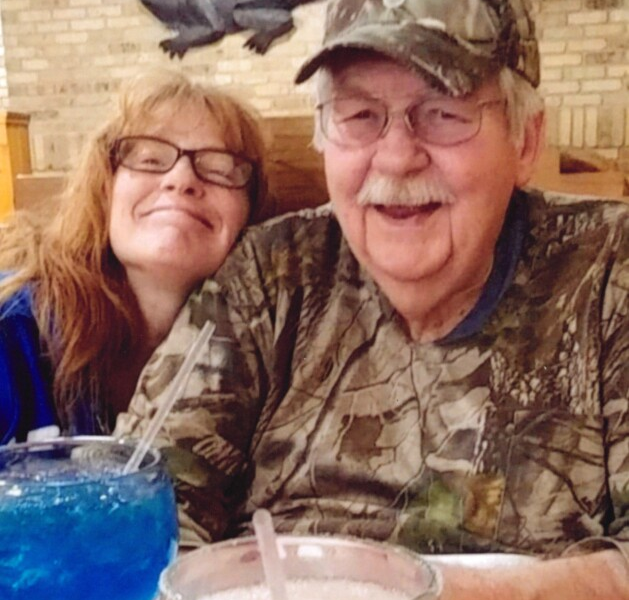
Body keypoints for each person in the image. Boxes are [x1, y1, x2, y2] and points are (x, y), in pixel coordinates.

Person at [116, 0, 629, 597]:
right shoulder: (270, 275)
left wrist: (415, 592)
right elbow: (147, 512)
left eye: (442, 112)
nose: (396, 157)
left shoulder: (609, 271)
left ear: (525, 141)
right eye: (360, 115)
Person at [0, 68, 267, 444]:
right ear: (105, 190)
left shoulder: (263, 363)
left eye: (218, 169)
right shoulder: (14, 330)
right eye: (150, 160)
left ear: (249, 215)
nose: (182, 180)